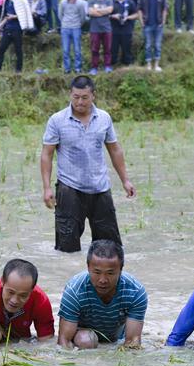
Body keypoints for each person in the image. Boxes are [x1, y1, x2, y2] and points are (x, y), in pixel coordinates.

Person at [40, 76, 135, 253]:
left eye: (84, 97)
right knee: (66, 248)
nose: (80, 102)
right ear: (70, 94)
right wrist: (47, 188)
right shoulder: (57, 120)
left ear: (93, 96)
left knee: (110, 249)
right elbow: (47, 154)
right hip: (69, 188)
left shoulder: (104, 118)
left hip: (100, 187)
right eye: (76, 97)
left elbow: (114, 150)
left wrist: (125, 180)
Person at [57, 240, 146, 349]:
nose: (103, 280)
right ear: (88, 268)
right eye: (97, 272)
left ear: (121, 269)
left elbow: (133, 342)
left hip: (118, 337)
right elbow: (64, 341)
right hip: (83, 336)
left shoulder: (135, 292)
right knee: (86, 341)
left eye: (110, 273)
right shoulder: (74, 290)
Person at [0, 0, 32, 73]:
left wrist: (14, 17)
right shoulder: (6, 1)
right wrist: (1, 24)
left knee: (18, 49)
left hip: (17, 28)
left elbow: (24, 13)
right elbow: (5, 15)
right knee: (1, 48)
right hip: (8, 28)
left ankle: (18, 69)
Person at [138, 0, 167, 71]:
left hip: (158, 24)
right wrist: (141, 22)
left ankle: (156, 65)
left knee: (158, 45)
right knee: (148, 45)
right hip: (147, 24)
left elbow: (164, 8)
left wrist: (163, 21)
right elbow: (139, 9)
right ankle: (149, 65)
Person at [58, 0, 88, 73]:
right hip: (65, 28)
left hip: (76, 28)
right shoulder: (63, 2)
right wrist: (64, 23)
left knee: (77, 49)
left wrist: (78, 24)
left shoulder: (80, 3)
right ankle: (67, 69)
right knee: (65, 49)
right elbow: (60, 15)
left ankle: (77, 68)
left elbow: (83, 17)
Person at [109, 0, 139, 66]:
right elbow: (106, 15)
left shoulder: (130, 2)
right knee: (113, 49)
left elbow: (136, 15)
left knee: (127, 49)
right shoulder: (111, 2)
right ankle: (112, 66)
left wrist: (128, 17)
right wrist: (113, 16)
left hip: (126, 30)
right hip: (114, 29)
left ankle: (127, 65)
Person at [87, 0, 113, 74]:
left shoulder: (108, 0)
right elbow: (90, 12)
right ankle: (94, 67)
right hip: (95, 29)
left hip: (106, 28)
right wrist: (103, 12)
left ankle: (108, 66)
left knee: (108, 49)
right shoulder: (91, 1)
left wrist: (97, 11)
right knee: (94, 49)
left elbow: (110, 10)